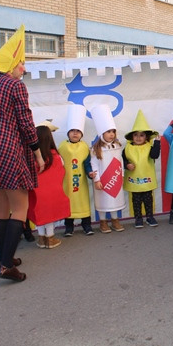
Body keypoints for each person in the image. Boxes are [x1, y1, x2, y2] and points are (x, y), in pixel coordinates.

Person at [0, 25, 44, 282]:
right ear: (11, 64)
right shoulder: (14, 86)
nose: (23, 68)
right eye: (21, 63)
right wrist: (37, 152)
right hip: (7, 150)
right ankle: (5, 266)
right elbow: (25, 122)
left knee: (1, 205)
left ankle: (6, 257)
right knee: (20, 206)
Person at [28, 122, 71, 249]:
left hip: (36, 193)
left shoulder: (31, 158)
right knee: (50, 215)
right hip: (53, 191)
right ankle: (50, 238)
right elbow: (62, 171)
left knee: (40, 214)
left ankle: (41, 238)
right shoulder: (56, 157)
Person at [58, 104, 94, 236]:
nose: (75, 133)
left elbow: (87, 163)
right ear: (68, 132)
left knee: (83, 202)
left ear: (81, 134)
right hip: (67, 182)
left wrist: (90, 173)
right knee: (69, 203)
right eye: (72, 130)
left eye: (78, 131)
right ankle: (69, 227)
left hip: (81, 182)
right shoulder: (62, 146)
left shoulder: (85, 147)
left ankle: (87, 225)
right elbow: (58, 163)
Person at [90, 104, 126, 233]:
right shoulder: (96, 149)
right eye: (108, 132)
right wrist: (97, 180)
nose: (111, 134)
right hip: (102, 180)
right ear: (101, 133)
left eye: (113, 131)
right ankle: (103, 222)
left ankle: (115, 220)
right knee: (103, 201)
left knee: (114, 198)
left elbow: (120, 160)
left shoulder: (117, 145)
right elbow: (94, 165)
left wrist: (121, 175)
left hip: (115, 177)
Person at [123, 109, 161, 228]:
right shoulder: (127, 148)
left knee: (148, 199)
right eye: (136, 135)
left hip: (146, 178)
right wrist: (127, 165)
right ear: (132, 136)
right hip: (134, 179)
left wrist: (157, 143)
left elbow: (155, 155)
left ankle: (150, 217)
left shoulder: (149, 147)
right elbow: (123, 160)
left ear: (146, 137)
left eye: (142, 135)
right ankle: (138, 218)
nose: (138, 137)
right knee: (136, 200)